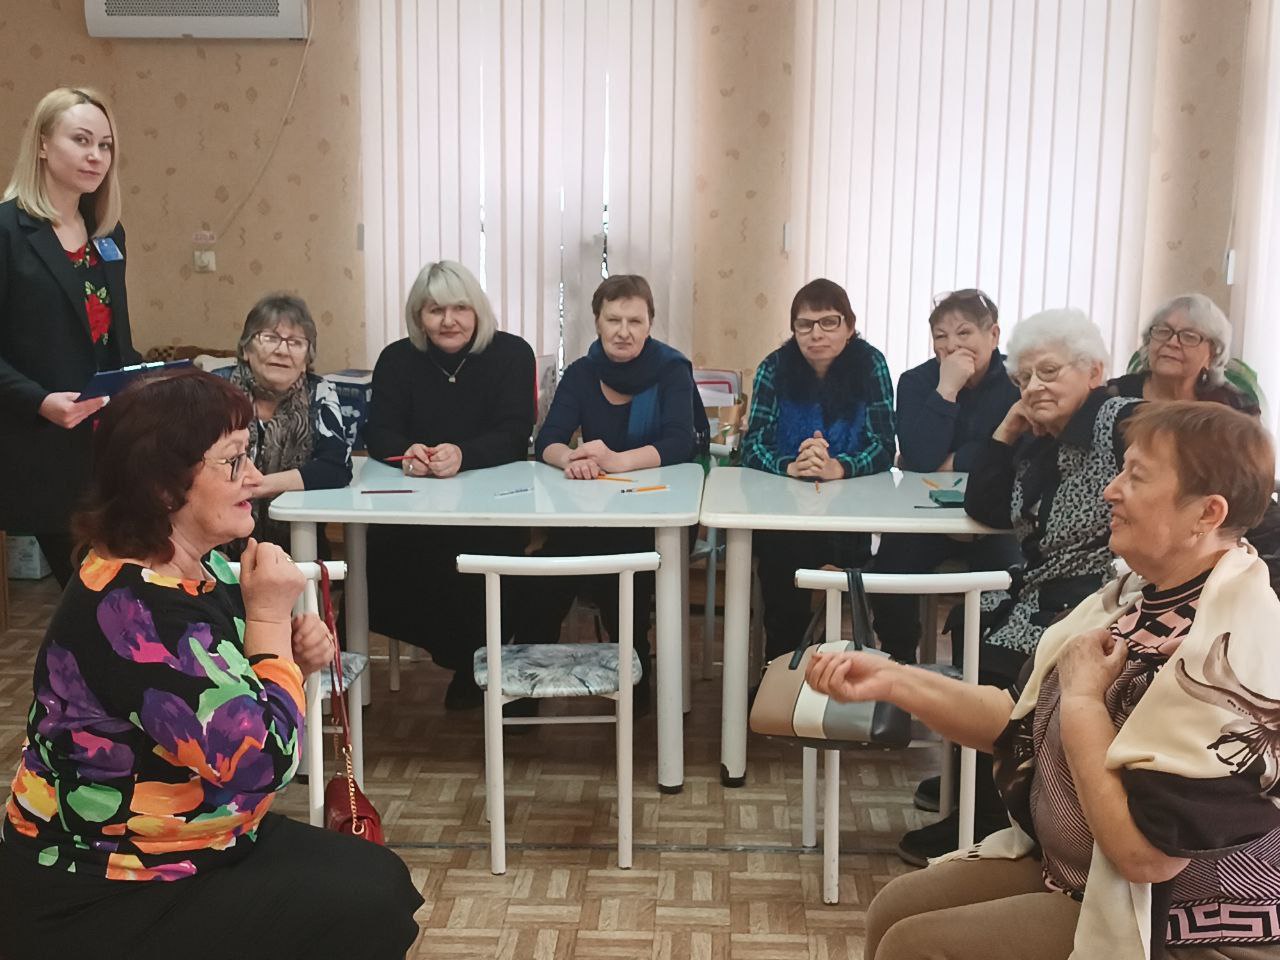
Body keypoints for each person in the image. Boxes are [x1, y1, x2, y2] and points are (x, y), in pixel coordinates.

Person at [807, 402, 1280, 960]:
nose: (1110, 490)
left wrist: (1082, 702)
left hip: (1169, 916)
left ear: (1207, 513)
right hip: (1085, 870)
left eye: (1136, 476)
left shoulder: (1230, 652)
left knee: (916, 947)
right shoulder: (1134, 598)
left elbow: (1144, 858)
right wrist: (893, 680)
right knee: (896, 908)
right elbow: (1015, 721)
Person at [0, 370, 422, 960]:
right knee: (368, 908)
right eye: (232, 460)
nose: (253, 475)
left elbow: (236, 684)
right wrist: (271, 622)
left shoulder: (201, 567)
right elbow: (262, 763)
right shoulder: (133, 610)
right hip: (104, 881)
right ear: (163, 488)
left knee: (381, 883)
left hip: (191, 839)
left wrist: (290, 656)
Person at [901, 308, 1142, 865]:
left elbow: (1184, 462)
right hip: (1043, 586)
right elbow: (985, 506)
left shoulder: (1119, 419)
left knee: (994, 654)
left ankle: (991, 814)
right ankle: (974, 782)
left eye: (1049, 372)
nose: (1034, 387)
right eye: (1024, 377)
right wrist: (1007, 430)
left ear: (1094, 371)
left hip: (1101, 594)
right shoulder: (1039, 438)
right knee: (971, 620)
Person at [517, 274, 704, 701]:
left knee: (626, 574)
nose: (623, 331)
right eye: (613, 319)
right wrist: (573, 459)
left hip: (653, 514)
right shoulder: (583, 372)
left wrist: (616, 461)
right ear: (597, 322)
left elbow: (681, 442)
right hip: (590, 511)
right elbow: (548, 440)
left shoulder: (671, 370)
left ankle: (634, 676)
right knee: (545, 576)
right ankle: (528, 685)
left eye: (635, 321)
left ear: (650, 323)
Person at [364, 260, 535, 710]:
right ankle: (459, 661)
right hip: (414, 506)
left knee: (484, 554)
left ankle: (475, 665)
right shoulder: (396, 359)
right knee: (386, 552)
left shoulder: (512, 354)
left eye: (460, 308)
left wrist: (463, 455)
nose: (448, 320)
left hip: (491, 503)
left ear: (477, 310)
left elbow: (516, 432)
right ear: (418, 316)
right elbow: (378, 432)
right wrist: (406, 452)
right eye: (435, 310)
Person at [0, 87, 140, 586]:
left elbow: (114, 342)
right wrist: (39, 401)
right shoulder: (8, 231)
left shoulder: (107, 233)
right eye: (81, 140)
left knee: (121, 587)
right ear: (42, 143)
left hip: (110, 447)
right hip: (41, 446)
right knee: (94, 590)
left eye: (105, 145)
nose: (95, 156)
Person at [740, 278, 895, 661]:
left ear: (849, 326)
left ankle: (837, 661)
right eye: (805, 324)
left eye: (829, 322)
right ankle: (782, 669)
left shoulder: (870, 364)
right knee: (782, 573)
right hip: (782, 511)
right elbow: (753, 444)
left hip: (849, 512)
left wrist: (839, 467)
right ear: (793, 329)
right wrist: (791, 465)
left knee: (843, 564)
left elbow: (883, 445)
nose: (816, 334)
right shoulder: (774, 367)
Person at [870, 288, 1022, 663]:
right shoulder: (916, 381)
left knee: (1011, 575)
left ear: (993, 335)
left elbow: (1019, 455)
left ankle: (982, 669)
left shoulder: (1018, 381)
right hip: (926, 516)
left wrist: (955, 459)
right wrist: (947, 388)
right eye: (941, 336)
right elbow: (920, 458)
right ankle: (898, 662)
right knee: (890, 569)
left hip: (994, 515)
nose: (951, 345)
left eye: (964, 333)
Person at [214, 293, 352, 553]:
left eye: (296, 342)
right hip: (217, 544)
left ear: (306, 360)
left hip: (300, 541)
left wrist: (263, 485)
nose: (282, 350)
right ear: (246, 349)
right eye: (270, 338)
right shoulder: (216, 391)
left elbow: (336, 467)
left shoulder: (320, 393)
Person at [1107, 292, 1261, 414]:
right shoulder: (1114, 396)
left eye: (1189, 336)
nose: (1172, 342)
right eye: (1163, 331)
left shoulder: (1234, 408)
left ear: (1212, 355)